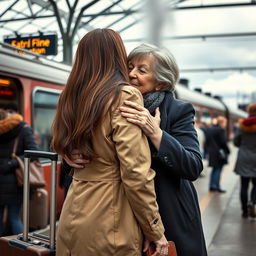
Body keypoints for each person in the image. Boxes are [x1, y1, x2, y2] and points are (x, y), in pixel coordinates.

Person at [68, 43, 208, 256]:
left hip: (168, 213)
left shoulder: (179, 110)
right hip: (120, 213)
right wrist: (68, 153)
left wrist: (156, 134)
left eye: (142, 70)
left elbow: (192, 166)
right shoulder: (110, 102)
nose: (131, 74)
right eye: (129, 66)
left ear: (160, 83)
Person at [51, 29, 168, 256]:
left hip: (72, 214)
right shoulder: (124, 95)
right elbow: (135, 171)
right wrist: (155, 230)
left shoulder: (71, 96)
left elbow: (59, 141)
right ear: (117, 55)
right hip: (110, 218)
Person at [0, 108, 38, 236]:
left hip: (7, 180)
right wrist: (13, 163)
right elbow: (33, 153)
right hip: (16, 181)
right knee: (14, 217)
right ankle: (19, 250)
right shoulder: (23, 129)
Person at [233, 102, 256, 219]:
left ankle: (244, 212)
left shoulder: (243, 125)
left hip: (244, 157)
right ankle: (252, 201)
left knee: (244, 185)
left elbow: (236, 142)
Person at [206, 116, 230, 193]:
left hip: (212, 152)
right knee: (218, 170)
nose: (225, 124)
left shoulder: (210, 129)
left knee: (214, 169)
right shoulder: (220, 130)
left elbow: (207, 141)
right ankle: (216, 186)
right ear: (222, 122)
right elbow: (223, 142)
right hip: (219, 153)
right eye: (225, 123)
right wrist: (228, 150)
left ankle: (212, 186)